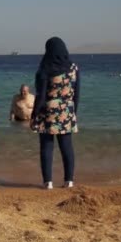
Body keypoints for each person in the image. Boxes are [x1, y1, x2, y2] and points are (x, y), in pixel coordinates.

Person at [30, 37, 80, 190]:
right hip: (67, 109)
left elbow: (41, 95)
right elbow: (77, 93)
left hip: (48, 110)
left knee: (46, 146)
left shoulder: (45, 68)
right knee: (67, 146)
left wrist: (34, 115)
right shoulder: (73, 68)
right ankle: (69, 181)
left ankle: (48, 182)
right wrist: (73, 112)